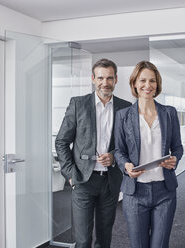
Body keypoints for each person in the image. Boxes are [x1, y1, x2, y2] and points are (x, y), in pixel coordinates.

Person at [55, 58, 132, 248]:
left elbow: (130, 144)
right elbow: (62, 141)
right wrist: (71, 175)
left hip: (110, 181)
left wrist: (113, 155)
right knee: (82, 239)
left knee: (105, 238)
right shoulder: (78, 104)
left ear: (115, 80)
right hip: (82, 180)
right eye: (100, 78)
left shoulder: (126, 107)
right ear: (93, 78)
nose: (104, 83)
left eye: (109, 78)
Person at [114, 61, 183, 248]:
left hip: (165, 192)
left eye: (152, 80)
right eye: (142, 80)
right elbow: (119, 150)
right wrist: (126, 165)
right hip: (135, 192)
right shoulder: (123, 115)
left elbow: (178, 147)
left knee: (160, 245)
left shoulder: (169, 113)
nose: (147, 85)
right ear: (134, 83)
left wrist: (175, 159)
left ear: (157, 84)